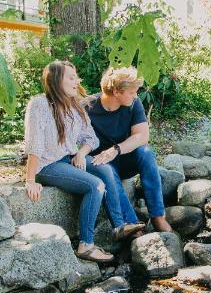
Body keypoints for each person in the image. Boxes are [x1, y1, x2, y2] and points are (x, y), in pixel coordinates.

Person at [24, 60, 143, 263]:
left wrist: (81, 153)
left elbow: (91, 139)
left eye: (75, 76)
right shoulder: (40, 104)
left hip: (69, 158)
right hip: (47, 165)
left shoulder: (74, 107)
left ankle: (119, 226)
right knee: (95, 185)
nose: (76, 80)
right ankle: (85, 245)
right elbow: (34, 145)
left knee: (104, 169)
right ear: (55, 80)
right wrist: (30, 179)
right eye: (70, 77)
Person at [85, 66, 172, 233]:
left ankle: (157, 217)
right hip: (102, 163)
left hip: (126, 158)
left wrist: (116, 149)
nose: (136, 96)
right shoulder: (87, 107)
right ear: (117, 92)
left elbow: (142, 136)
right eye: (132, 92)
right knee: (107, 171)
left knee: (145, 152)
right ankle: (132, 226)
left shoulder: (134, 103)